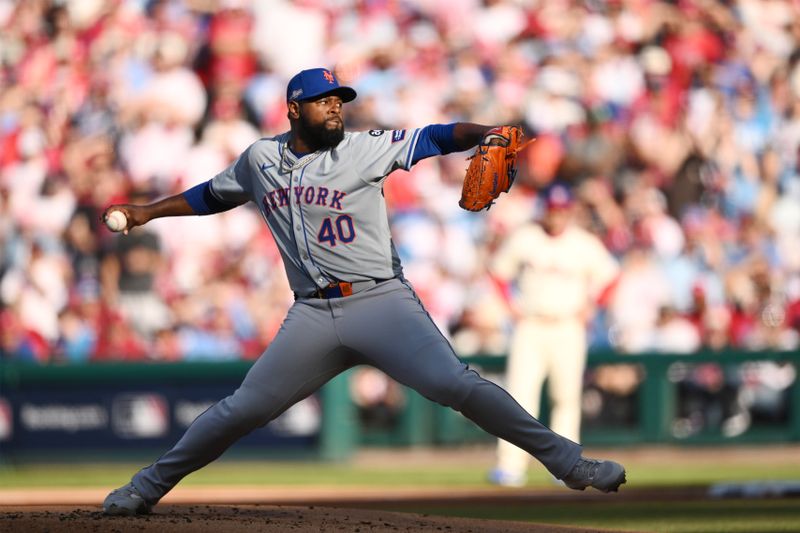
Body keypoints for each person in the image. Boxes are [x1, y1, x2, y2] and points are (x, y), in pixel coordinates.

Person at [102, 68, 626, 516]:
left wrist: (490, 132)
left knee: (458, 387)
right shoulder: (260, 160)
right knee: (241, 410)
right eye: (323, 102)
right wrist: (148, 212)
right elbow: (211, 195)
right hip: (311, 314)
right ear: (293, 109)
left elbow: (438, 135)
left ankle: (570, 463)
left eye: (339, 101)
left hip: (380, 302)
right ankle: (146, 488)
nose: (335, 109)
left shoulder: (364, 148)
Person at [489, 182, 620, 487]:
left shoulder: (583, 243)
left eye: (562, 210)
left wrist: (592, 306)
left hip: (567, 326)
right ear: (545, 209)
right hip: (531, 325)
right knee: (519, 398)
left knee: (566, 397)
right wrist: (510, 307)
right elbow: (497, 273)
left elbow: (611, 277)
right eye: (552, 210)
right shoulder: (526, 237)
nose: (557, 216)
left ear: (570, 211)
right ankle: (510, 466)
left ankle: (566, 467)